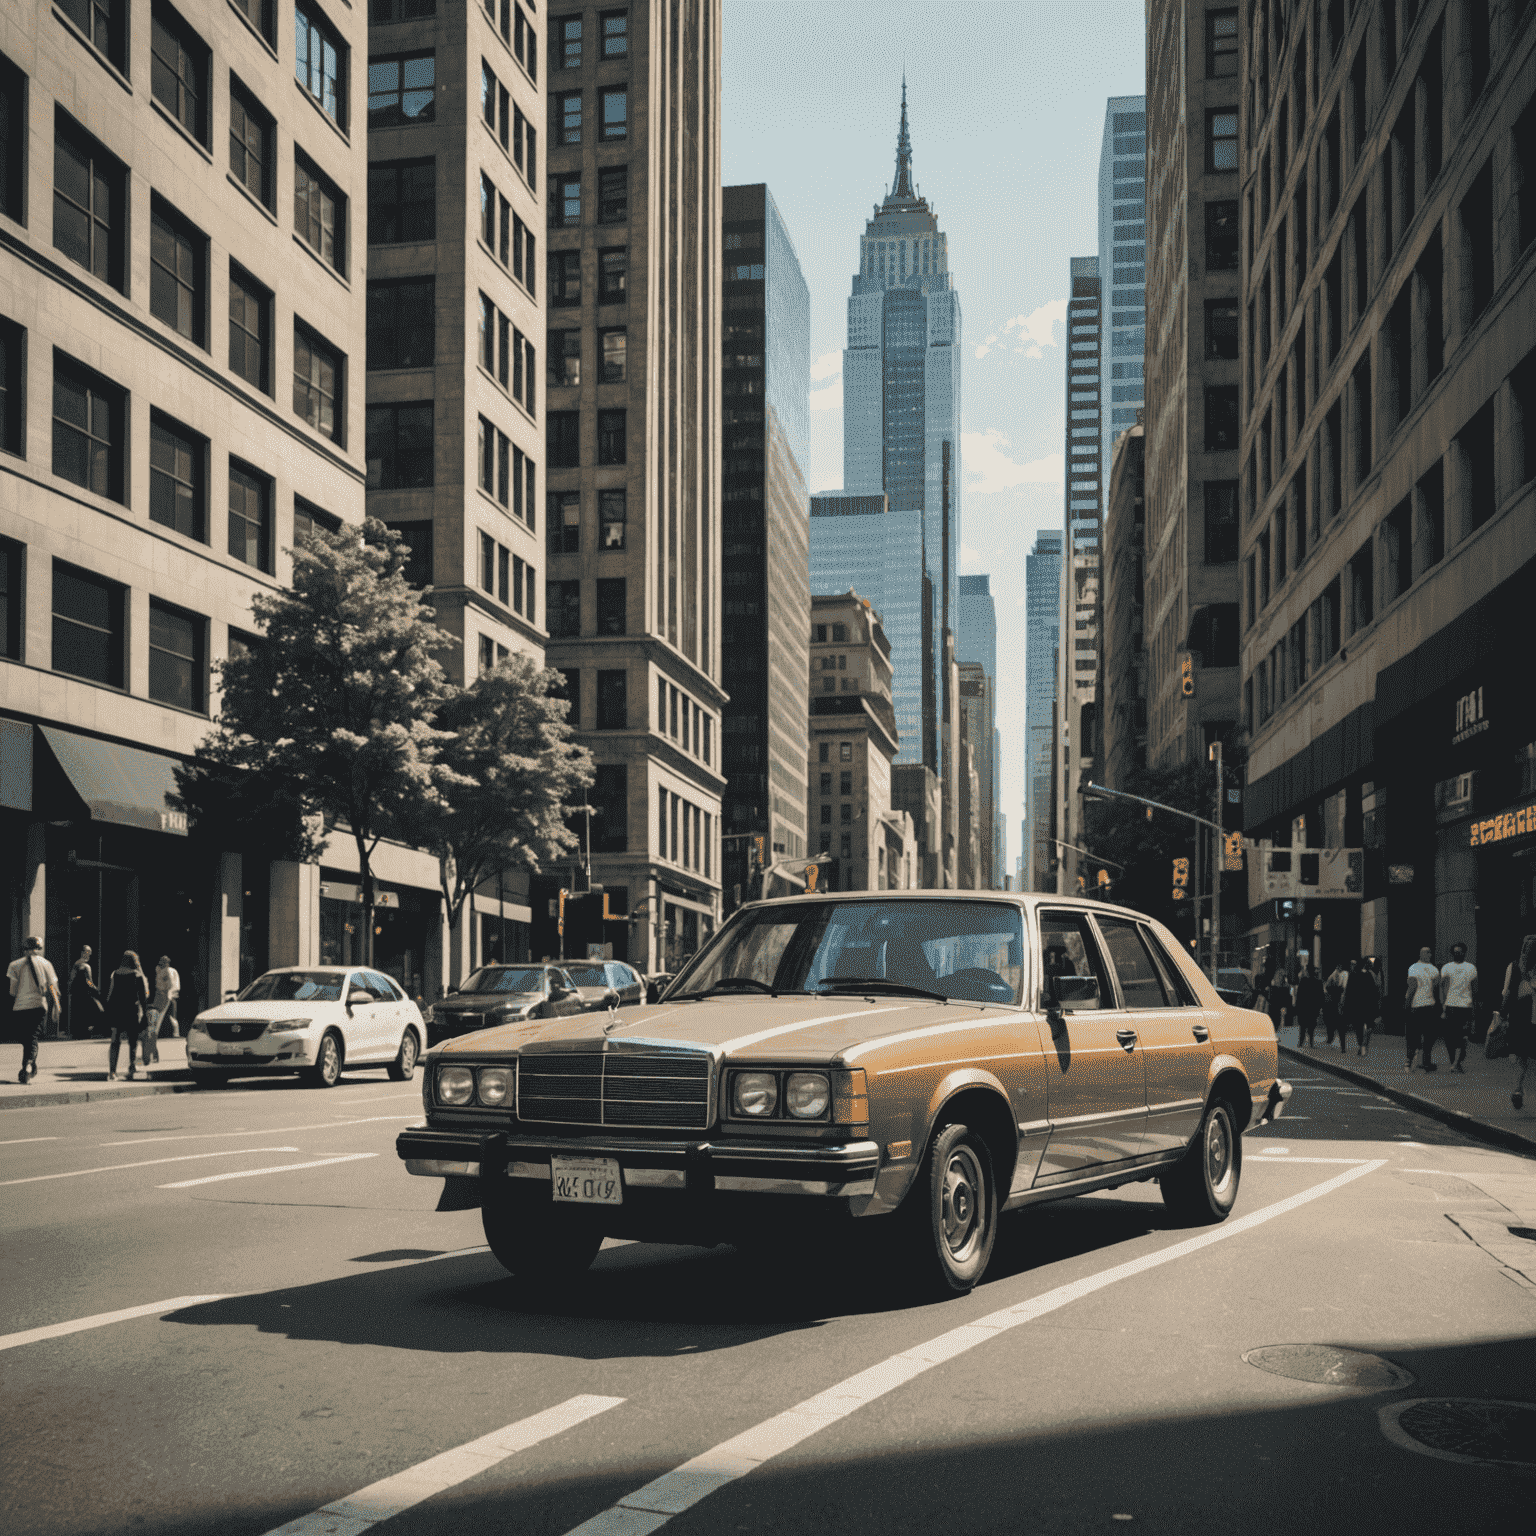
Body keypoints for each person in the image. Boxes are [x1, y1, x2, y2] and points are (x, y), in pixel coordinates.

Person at [7, 937, 60, 1085]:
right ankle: (29, 1065)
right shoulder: (46, 964)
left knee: (26, 1039)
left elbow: (12, 991)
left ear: (24, 948)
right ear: (40, 948)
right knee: (33, 1037)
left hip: (20, 1007)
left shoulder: (14, 965)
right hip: (38, 1006)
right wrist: (57, 1006)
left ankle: (28, 1066)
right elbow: (52, 987)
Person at [1499, 935, 1536, 1112]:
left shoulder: (1513, 967)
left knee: (1522, 1057)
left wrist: (1503, 1014)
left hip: (1519, 1019)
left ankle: (1518, 1089)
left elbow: (1506, 993)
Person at [104, 951, 151, 1082]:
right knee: (133, 1041)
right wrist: (145, 1014)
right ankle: (131, 1068)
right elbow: (143, 997)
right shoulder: (137, 975)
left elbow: (110, 994)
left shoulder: (115, 974)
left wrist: (109, 1011)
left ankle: (112, 1071)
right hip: (132, 1010)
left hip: (117, 1010)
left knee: (115, 1042)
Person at [1439, 943, 1478, 1074]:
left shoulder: (1471, 968)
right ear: (1452, 953)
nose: (1458, 954)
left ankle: (1456, 1062)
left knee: (1462, 1036)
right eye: (1455, 952)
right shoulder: (1447, 967)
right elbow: (1442, 988)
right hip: (1450, 1006)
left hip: (1465, 1006)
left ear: (1464, 953)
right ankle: (1454, 1062)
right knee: (1449, 1037)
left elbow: (1475, 988)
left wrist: (1475, 1007)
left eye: (1460, 952)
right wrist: (1443, 1005)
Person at [1404, 946, 1442, 1071]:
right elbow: (1435, 988)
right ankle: (1425, 1061)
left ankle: (1410, 1061)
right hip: (1427, 1006)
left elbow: (1412, 987)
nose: (1429, 954)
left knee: (1413, 1034)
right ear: (1421, 954)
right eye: (1427, 952)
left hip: (1418, 1006)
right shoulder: (1432, 970)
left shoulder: (1414, 968)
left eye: (1430, 953)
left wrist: (1407, 1004)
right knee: (1428, 1036)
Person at [144, 955, 181, 1064]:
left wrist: (167, 996)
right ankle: (153, 1054)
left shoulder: (168, 972)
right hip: (160, 997)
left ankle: (152, 1054)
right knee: (153, 1027)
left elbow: (170, 986)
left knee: (154, 1027)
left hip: (163, 997)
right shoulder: (162, 970)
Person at [1340, 958, 1380, 1057]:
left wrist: (1344, 1004)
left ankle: (1361, 1046)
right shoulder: (1368, 975)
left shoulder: (1353, 975)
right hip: (1367, 1005)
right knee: (1369, 1024)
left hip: (1356, 1005)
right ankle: (1365, 1043)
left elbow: (1348, 991)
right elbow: (1373, 990)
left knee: (1358, 1026)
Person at [1294, 962, 1326, 1049]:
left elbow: (1299, 995)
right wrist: (1321, 1007)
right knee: (1311, 1025)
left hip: (1304, 1007)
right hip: (1313, 1008)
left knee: (1303, 1026)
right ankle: (1311, 1042)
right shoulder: (1318, 982)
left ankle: (1301, 1042)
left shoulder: (1303, 981)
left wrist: (1297, 1007)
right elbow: (1321, 996)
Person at [1323, 962, 1348, 1047]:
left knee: (1331, 1023)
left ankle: (1331, 1038)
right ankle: (1342, 1044)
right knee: (1337, 1024)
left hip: (1332, 1003)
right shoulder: (1336, 975)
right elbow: (1340, 987)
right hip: (1336, 1003)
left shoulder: (1335, 975)